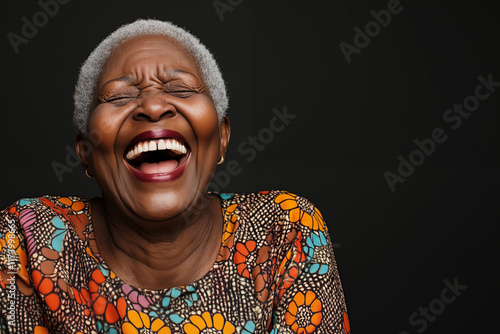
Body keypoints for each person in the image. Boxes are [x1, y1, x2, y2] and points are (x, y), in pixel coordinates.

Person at [0, 19, 350, 333]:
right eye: (120, 96)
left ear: (222, 138)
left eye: (181, 89)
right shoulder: (29, 239)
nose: (153, 107)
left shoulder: (285, 229)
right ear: (86, 151)